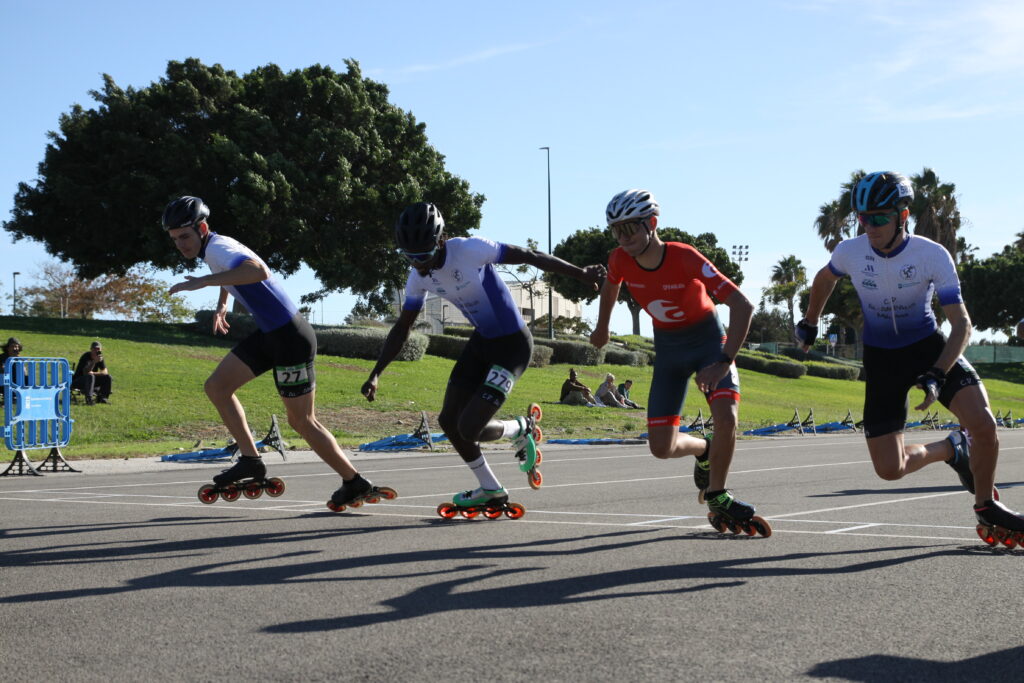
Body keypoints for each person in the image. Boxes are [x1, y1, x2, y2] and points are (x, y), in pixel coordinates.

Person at [795, 171, 1024, 542]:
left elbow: (962, 325)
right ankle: (951, 449)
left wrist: (937, 371)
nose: (870, 226)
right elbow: (824, 280)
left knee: (983, 424)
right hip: (882, 360)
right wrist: (809, 321)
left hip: (928, 348)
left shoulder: (931, 254)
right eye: (863, 218)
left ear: (903, 215)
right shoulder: (849, 251)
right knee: (890, 469)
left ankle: (986, 504)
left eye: (880, 217)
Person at [362, 202, 605, 514]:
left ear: (439, 240)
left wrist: (580, 272)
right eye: (409, 256)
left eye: (422, 255)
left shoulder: (470, 249)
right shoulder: (418, 277)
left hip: (513, 346)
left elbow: (531, 257)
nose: (417, 264)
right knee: (449, 422)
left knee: (470, 427)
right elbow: (402, 328)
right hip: (482, 343)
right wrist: (377, 372)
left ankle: (520, 428)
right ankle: (491, 489)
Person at [163, 195, 379, 508]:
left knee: (302, 421)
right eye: (174, 239)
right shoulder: (214, 249)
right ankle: (250, 460)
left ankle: (354, 481)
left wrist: (204, 283)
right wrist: (222, 306)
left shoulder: (219, 247)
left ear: (202, 228)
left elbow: (257, 271)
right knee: (217, 387)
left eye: (184, 236)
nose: (180, 244)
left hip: (291, 336)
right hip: (270, 333)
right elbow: (231, 274)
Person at [590, 189, 768, 536]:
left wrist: (723, 360)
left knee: (726, 415)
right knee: (661, 448)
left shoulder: (685, 257)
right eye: (617, 230)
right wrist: (602, 326)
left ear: (652, 223)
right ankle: (704, 449)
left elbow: (743, 306)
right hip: (669, 350)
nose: (624, 238)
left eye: (631, 229)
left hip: (708, 343)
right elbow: (611, 287)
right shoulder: (618, 259)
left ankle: (717, 494)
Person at [73, 341, 113, 405]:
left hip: (91, 380)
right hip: (79, 380)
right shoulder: (86, 356)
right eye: (94, 349)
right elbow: (86, 372)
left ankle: (103, 398)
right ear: (91, 349)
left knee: (108, 377)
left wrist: (94, 373)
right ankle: (89, 399)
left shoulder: (100, 358)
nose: (96, 351)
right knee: (90, 376)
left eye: (98, 349)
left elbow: (105, 372)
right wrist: (94, 362)